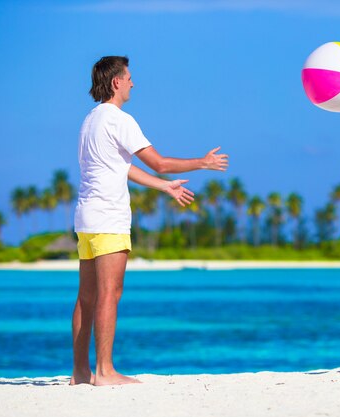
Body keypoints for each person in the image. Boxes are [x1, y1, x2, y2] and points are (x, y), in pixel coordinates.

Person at [71, 56, 228, 386]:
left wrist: (164, 187)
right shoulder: (120, 120)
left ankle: (80, 373)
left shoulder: (90, 120)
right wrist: (202, 162)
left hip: (86, 219)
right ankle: (105, 371)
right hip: (110, 218)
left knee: (86, 297)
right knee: (109, 295)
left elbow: (121, 167)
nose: (132, 83)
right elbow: (160, 162)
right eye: (128, 77)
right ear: (116, 82)